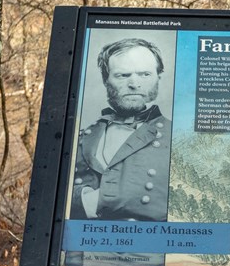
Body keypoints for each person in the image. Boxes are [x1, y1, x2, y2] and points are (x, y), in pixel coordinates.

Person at [71, 38, 170, 222]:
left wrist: (99, 200)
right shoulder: (83, 137)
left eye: (145, 74)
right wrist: (82, 200)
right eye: (123, 75)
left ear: (158, 78)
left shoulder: (178, 139)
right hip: (82, 247)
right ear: (105, 80)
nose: (134, 83)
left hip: (144, 247)